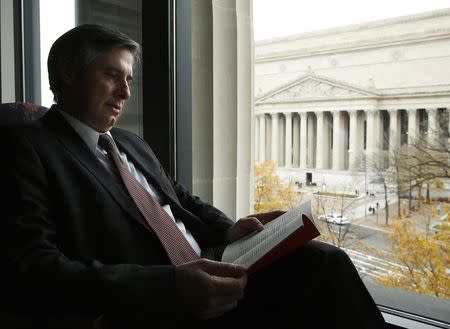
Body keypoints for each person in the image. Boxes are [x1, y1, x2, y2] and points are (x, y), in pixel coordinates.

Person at [0, 24, 386, 329]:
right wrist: (169, 286)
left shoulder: (130, 143)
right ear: (68, 73)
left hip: (212, 263)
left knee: (322, 260)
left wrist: (229, 230)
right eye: (111, 75)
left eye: (129, 79)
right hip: (163, 298)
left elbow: (182, 200)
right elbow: (32, 267)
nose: (125, 92)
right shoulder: (25, 147)